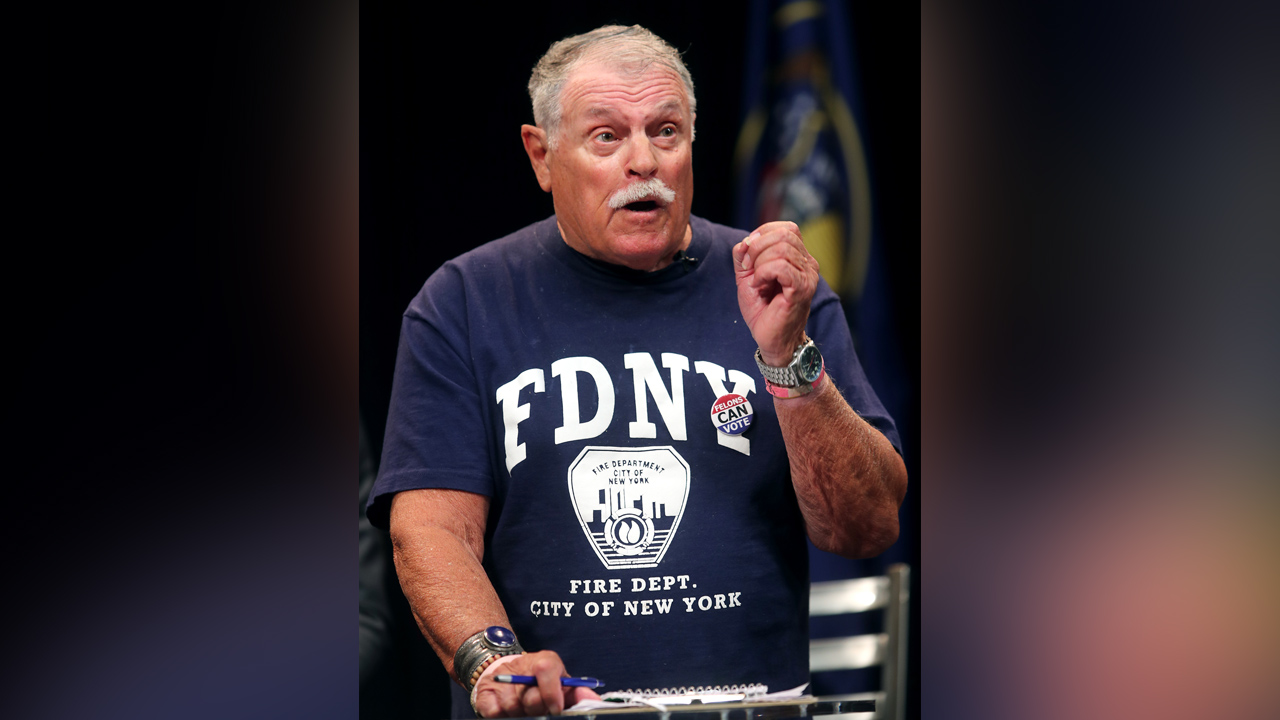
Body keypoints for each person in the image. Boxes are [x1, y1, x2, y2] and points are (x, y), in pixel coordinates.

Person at [366, 25, 907, 719]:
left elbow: (862, 528)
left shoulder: (777, 285)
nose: (643, 161)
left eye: (666, 131)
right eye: (606, 137)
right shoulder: (463, 302)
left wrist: (787, 359)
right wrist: (493, 660)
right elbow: (433, 531)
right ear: (542, 155)